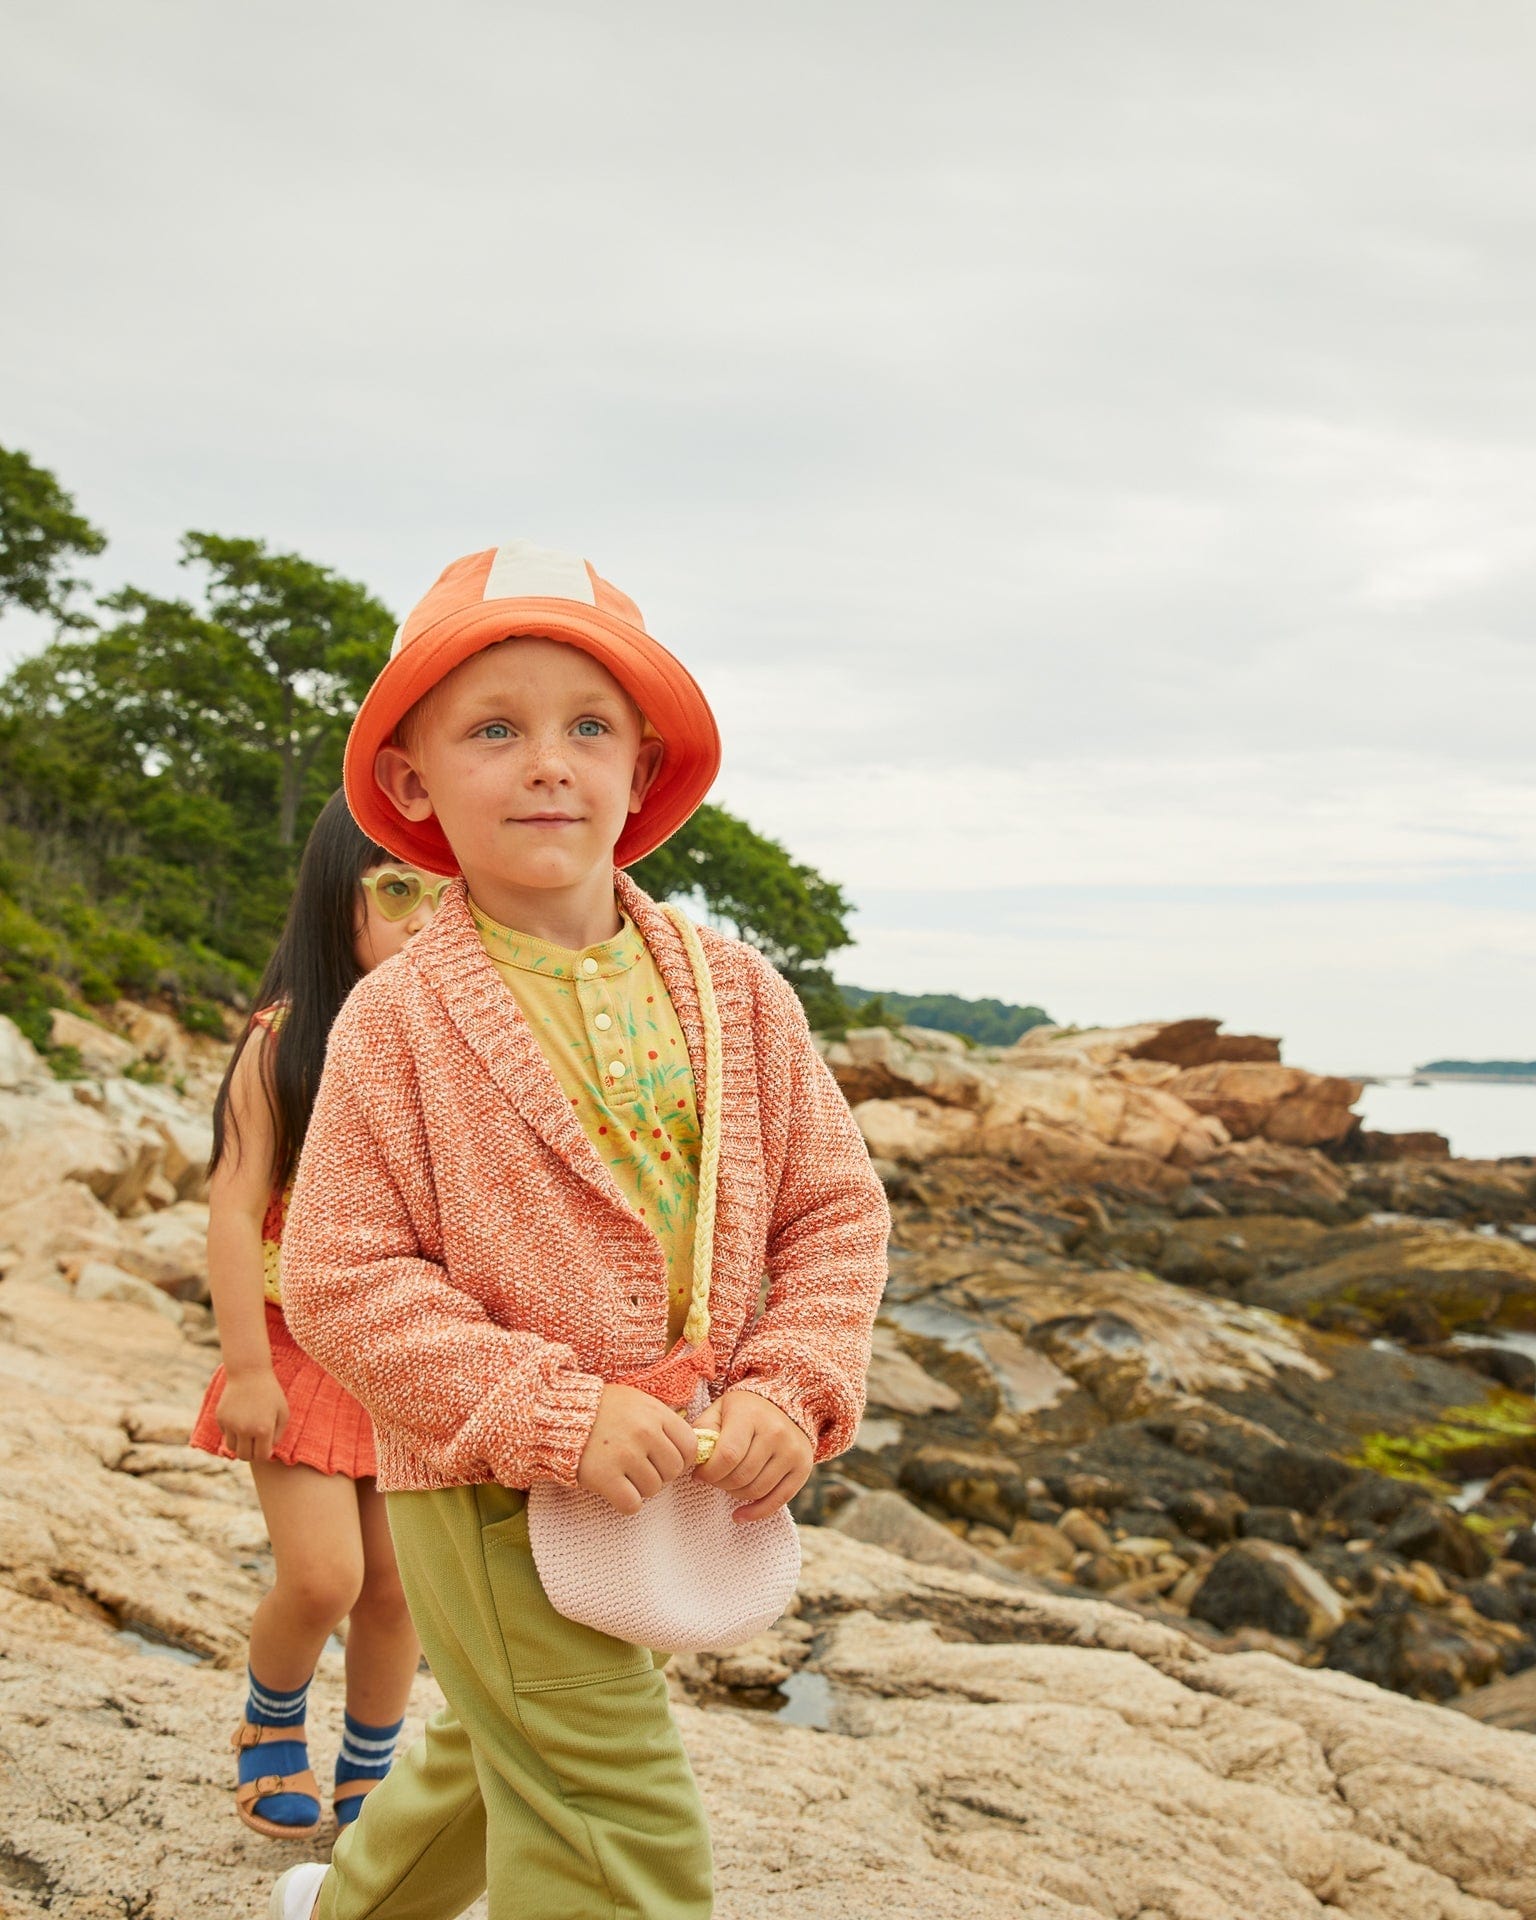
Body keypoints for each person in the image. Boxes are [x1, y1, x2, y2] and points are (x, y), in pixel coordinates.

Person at [267, 540, 889, 1920]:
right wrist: (548, 1412)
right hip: (490, 1481)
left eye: (587, 726)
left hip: (668, 1469)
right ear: (415, 782)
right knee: (612, 1812)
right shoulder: (400, 1018)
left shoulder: (739, 993)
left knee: (518, 1756)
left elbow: (833, 1208)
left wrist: (796, 1381)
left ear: (643, 765)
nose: (548, 762)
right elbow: (339, 1275)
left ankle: (341, 1908)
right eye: (495, 728)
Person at [191, 792, 451, 1840]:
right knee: (324, 1574)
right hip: (295, 1346)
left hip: (400, 1350)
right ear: (334, 900)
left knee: (398, 1590)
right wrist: (245, 1366)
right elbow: (233, 1204)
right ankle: (269, 1723)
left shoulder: (448, 1046)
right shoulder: (285, 1041)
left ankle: (371, 1766)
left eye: (447, 895)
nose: (423, 918)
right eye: (397, 891)